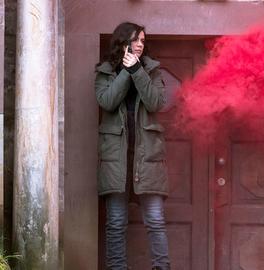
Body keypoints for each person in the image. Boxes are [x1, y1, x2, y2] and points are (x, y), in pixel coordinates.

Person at [95, 22, 170, 270]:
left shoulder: (153, 71)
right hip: (116, 159)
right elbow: (106, 101)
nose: (140, 45)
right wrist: (126, 72)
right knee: (116, 223)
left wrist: (137, 70)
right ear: (122, 41)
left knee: (155, 221)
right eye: (136, 40)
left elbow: (156, 102)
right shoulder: (105, 72)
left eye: (143, 41)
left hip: (147, 157)